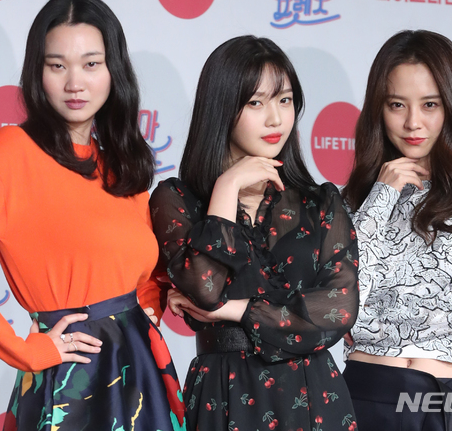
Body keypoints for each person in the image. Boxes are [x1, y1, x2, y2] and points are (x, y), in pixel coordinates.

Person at [0, 0, 185, 431]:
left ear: (114, 71)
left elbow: (141, 271)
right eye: (57, 65)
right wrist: (25, 350)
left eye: (91, 64)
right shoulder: (12, 151)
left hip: (140, 368)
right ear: (37, 73)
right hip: (71, 378)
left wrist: (150, 303)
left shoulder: (122, 165)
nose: (74, 83)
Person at [149, 35, 359, 431]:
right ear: (221, 108)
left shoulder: (320, 203)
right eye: (256, 103)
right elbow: (205, 288)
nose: (276, 119)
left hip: (313, 396)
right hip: (224, 395)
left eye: (285, 100)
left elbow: (339, 309)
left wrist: (234, 310)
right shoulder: (177, 199)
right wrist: (227, 186)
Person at [342, 29, 452, 431]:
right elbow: (342, 294)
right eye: (396, 105)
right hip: (364, 394)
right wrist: (381, 197)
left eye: (430, 104)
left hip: (451, 399)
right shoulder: (355, 201)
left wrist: (368, 324)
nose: (413, 122)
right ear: (378, 108)